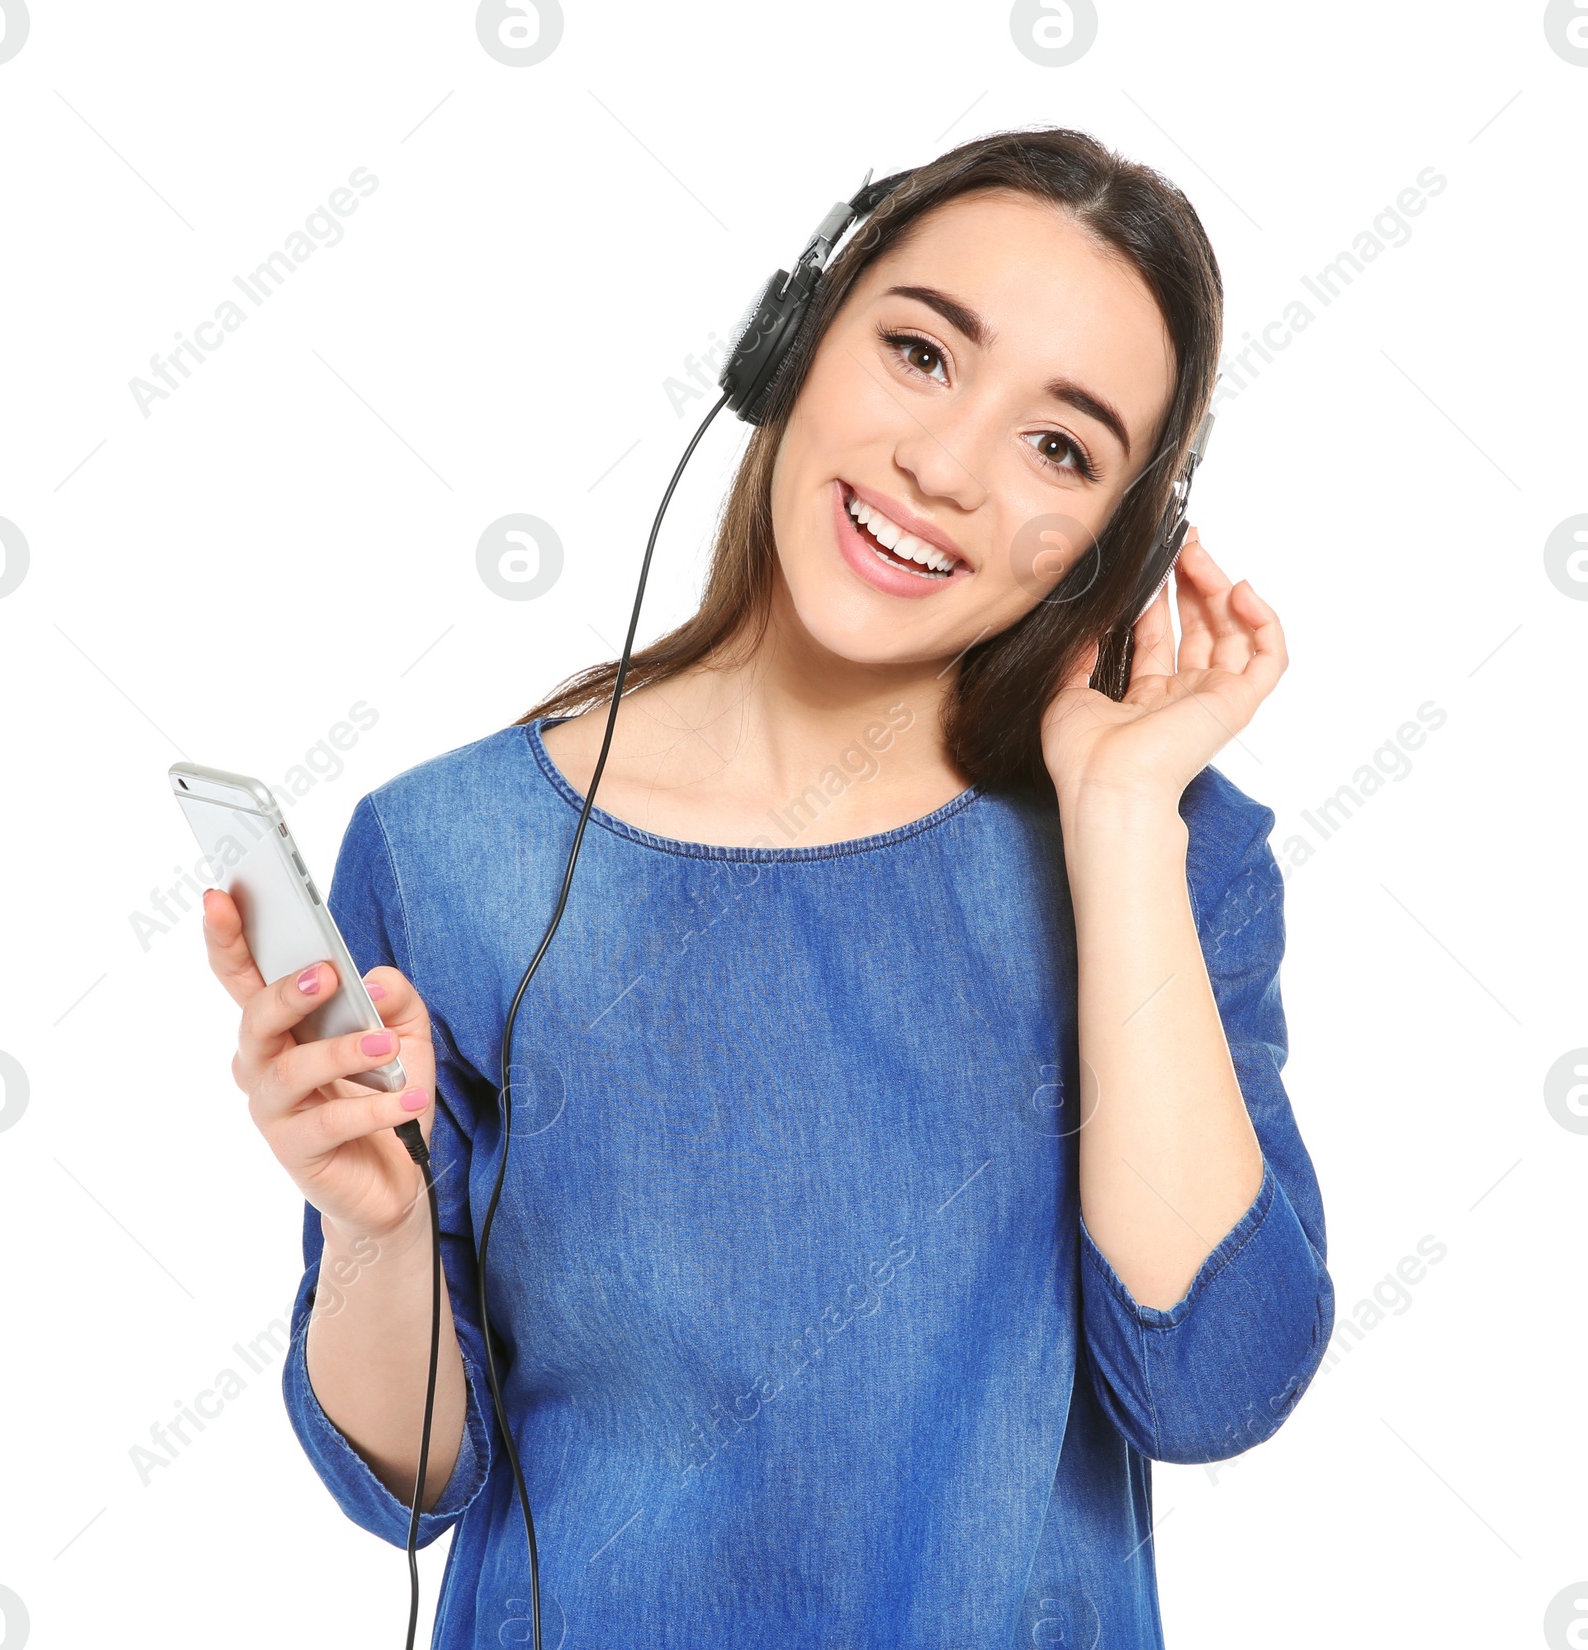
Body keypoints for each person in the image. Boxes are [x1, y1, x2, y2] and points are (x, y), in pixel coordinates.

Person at [203, 127, 1334, 1647]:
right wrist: (376, 1228)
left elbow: (1211, 1384)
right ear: (795, 340)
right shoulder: (451, 848)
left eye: (1059, 447)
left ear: (1119, 548)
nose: (945, 468)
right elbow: (406, 1477)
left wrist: (1122, 813)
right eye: (922, 353)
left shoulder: (1165, 860)